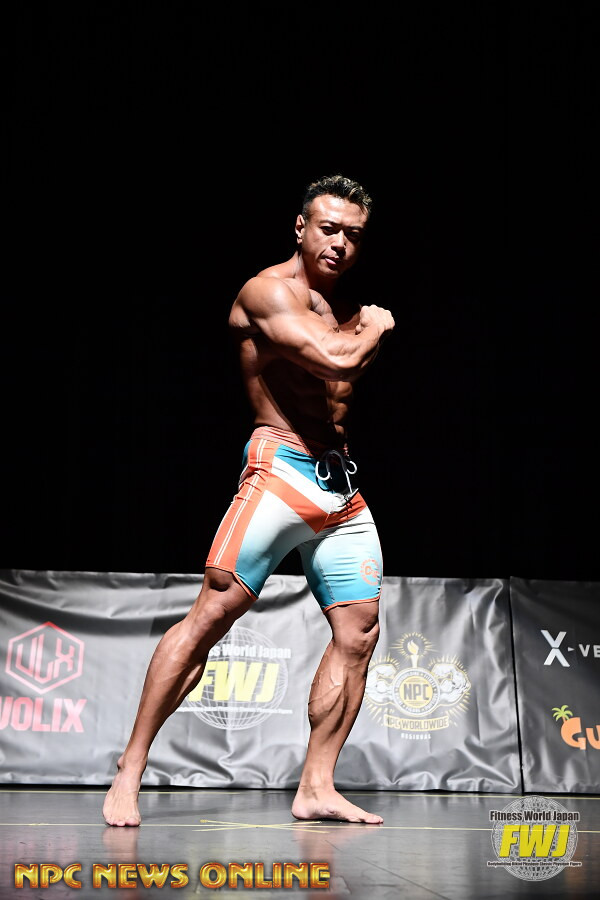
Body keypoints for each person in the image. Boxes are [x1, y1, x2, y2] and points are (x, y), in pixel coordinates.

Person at [103, 174, 395, 827]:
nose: (340, 243)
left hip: (340, 486)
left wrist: (360, 328)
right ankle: (130, 769)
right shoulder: (266, 292)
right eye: (328, 229)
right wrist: (376, 329)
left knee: (360, 633)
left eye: (353, 235)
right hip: (280, 469)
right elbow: (336, 363)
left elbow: (338, 381)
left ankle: (316, 785)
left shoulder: (339, 306)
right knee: (212, 614)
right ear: (300, 227)